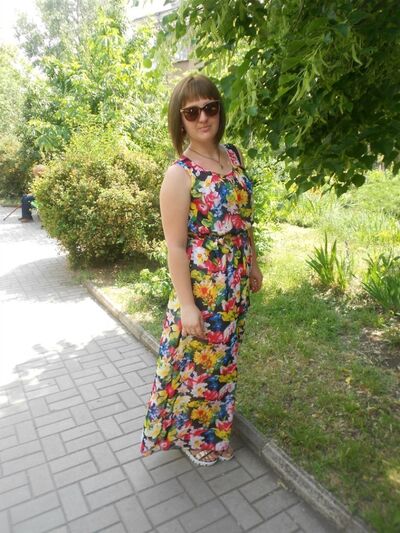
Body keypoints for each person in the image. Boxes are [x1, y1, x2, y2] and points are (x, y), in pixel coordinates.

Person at [140, 74, 263, 466]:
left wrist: (253, 263)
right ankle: (196, 440)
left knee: (223, 364)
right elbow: (176, 246)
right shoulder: (180, 173)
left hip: (235, 286)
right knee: (198, 369)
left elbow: (243, 220)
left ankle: (214, 433)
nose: (203, 117)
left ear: (219, 110)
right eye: (192, 112)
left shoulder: (233, 157)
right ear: (180, 120)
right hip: (203, 290)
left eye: (210, 107)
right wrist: (188, 306)